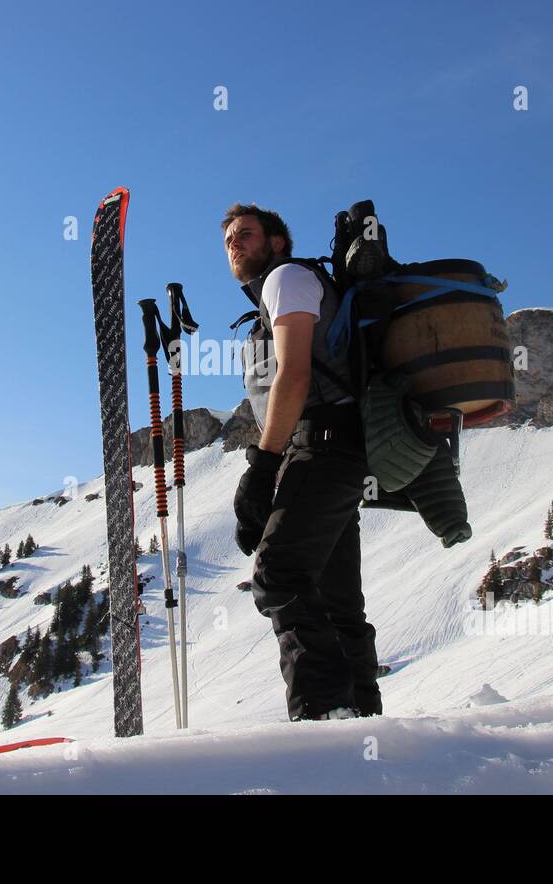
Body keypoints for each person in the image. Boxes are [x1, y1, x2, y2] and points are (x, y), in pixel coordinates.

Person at [223, 202, 382, 721]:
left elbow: (293, 374)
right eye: (228, 239)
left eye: (245, 234)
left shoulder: (286, 279)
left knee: (279, 576)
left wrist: (262, 468)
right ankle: (361, 724)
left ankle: (323, 716)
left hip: (324, 445)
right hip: (336, 448)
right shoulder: (285, 285)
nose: (234, 244)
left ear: (276, 242)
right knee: (337, 603)